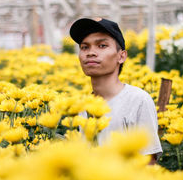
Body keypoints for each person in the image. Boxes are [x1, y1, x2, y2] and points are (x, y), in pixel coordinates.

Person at [69, 17, 162, 163]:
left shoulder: (137, 100)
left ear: (121, 56)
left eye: (102, 46)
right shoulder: (82, 106)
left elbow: (148, 165)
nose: (90, 53)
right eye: (84, 47)